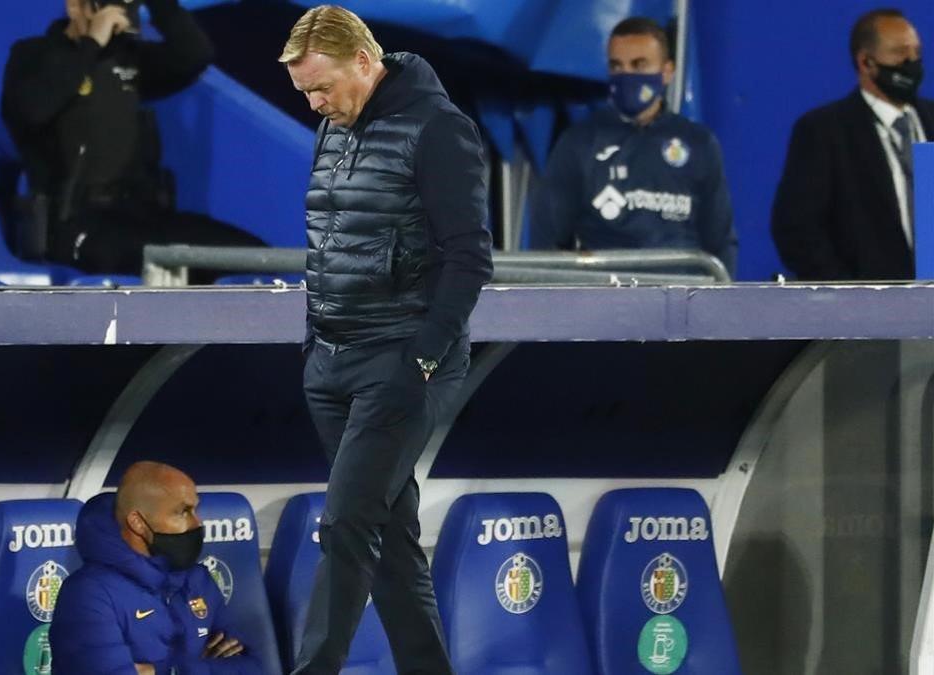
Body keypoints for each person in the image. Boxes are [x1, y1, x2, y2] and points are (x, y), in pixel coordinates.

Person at [278, 6, 493, 674]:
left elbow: (470, 257)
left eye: (322, 88)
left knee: (346, 524)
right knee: (389, 538)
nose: (315, 104)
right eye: (305, 94)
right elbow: (331, 244)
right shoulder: (332, 129)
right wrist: (315, 342)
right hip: (331, 361)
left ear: (364, 63)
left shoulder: (438, 128)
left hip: (400, 360)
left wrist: (422, 355)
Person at [1, 0, 263, 282]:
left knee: (257, 259)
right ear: (75, 7)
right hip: (77, 226)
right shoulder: (34, 54)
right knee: (160, 260)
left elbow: (194, 54)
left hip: (143, 218)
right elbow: (31, 110)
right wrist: (90, 44)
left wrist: (161, 5)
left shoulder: (128, 59)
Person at [530, 17, 737, 276]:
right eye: (617, 66)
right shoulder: (579, 143)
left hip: (684, 301)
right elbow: (545, 242)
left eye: (639, 65)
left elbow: (720, 242)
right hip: (604, 300)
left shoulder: (699, 144)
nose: (627, 76)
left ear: (667, 72)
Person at [50, 461, 260, 674]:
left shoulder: (199, 580)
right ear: (138, 523)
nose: (198, 523)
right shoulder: (87, 594)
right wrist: (208, 667)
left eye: (196, 509)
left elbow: (253, 668)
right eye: (183, 512)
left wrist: (164, 671)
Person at [772, 8, 931, 281]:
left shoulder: (929, 121)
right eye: (900, 52)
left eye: (916, 52)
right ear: (866, 62)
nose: (912, 61)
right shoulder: (825, 132)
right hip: (865, 308)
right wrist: (848, 294)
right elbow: (797, 229)